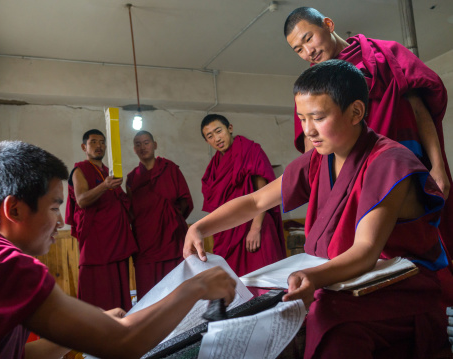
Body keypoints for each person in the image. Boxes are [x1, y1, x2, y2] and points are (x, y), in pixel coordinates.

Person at [184, 60, 450, 358]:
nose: (308, 131)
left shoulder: (389, 162)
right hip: (343, 278)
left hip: (399, 287)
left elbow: (365, 250)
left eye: (318, 117)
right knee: (256, 306)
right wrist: (201, 227)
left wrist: (314, 278)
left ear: (356, 112)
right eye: (302, 118)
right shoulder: (318, 159)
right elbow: (256, 201)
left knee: (327, 319)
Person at [0, 140, 236, 359]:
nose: (61, 222)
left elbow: (22, 356)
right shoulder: (5, 264)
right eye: (54, 207)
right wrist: (195, 287)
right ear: (15, 210)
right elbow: (125, 344)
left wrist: (78, 334)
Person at [283, 7, 453, 258]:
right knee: (368, 253)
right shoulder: (314, 84)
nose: (308, 51)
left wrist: (438, 166)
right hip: (357, 178)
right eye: (298, 49)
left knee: (421, 245)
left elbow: (418, 110)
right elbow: (314, 147)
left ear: (328, 24)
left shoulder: (384, 54)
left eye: (308, 38)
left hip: (409, 163)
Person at [199, 114, 286, 277]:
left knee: (265, 282)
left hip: (255, 227)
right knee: (237, 286)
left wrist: (255, 228)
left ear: (229, 128)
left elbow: (264, 192)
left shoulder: (249, 150)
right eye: (210, 136)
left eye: (219, 131)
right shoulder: (212, 169)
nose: (217, 138)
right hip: (229, 233)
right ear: (207, 141)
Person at [65, 129, 137, 311]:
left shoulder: (109, 171)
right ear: (84, 147)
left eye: (102, 142)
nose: (99, 146)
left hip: (116, 240)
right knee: (96, 290)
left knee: (119, 290)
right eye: (94, 142)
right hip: (96, 243)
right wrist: (104, 186)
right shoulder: (80, 170)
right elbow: (81, 200)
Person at [126, 130, 194, 299]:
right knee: (148, 292)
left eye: (146, 142)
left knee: (176, 290)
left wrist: (171, 220)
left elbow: (184, 199)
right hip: (145, 241)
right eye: (138, 144)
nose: (142, 147)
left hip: (171, 238)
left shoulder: (170, 169)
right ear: (134, 149)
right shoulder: (132, 178)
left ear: (155, 145)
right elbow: (131, 212)